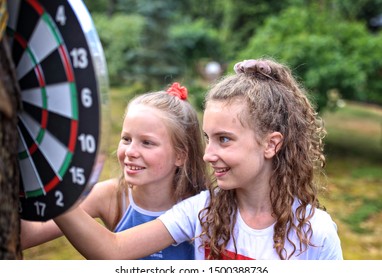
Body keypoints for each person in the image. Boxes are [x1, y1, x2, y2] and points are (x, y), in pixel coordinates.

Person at [54, 58, 343, 260]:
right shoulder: (202, 211)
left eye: (224, 139)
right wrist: (49, 182)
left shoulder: (315, 232)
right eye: (207, 138)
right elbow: (112, 250)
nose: (207, 154)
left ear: (271, 144)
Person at [21, 82, 208, 260]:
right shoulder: (111, 196)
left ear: (180, 156)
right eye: (126, 139)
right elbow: (26, 236)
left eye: (147, 143)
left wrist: (51, 184)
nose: (131, 151)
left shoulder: (202, 206)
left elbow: (112, 251)